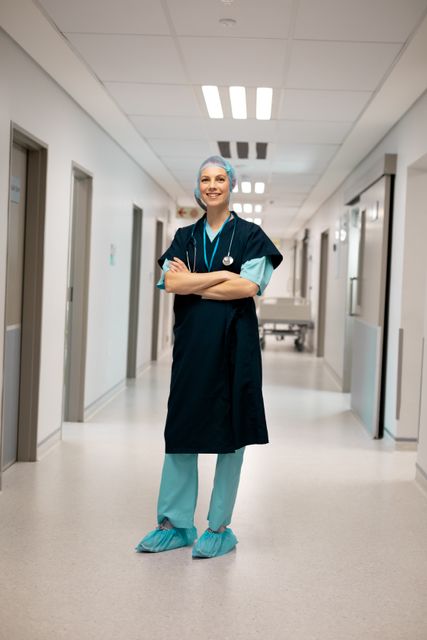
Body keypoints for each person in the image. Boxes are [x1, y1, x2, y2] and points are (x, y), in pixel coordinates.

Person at [135, 156, 283, 558]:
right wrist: (220, 277)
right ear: (197, 186)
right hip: (193, 348)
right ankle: (176, 524)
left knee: (231, 435)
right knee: (181, 430)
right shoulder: (184, 235)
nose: (212, 185)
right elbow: (170, 281)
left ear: (231, 185)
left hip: (237, 348)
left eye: (220, 178)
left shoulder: (252, 236)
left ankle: (218, 528)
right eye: (205, 179)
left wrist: (194, 283)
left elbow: (249, 287)